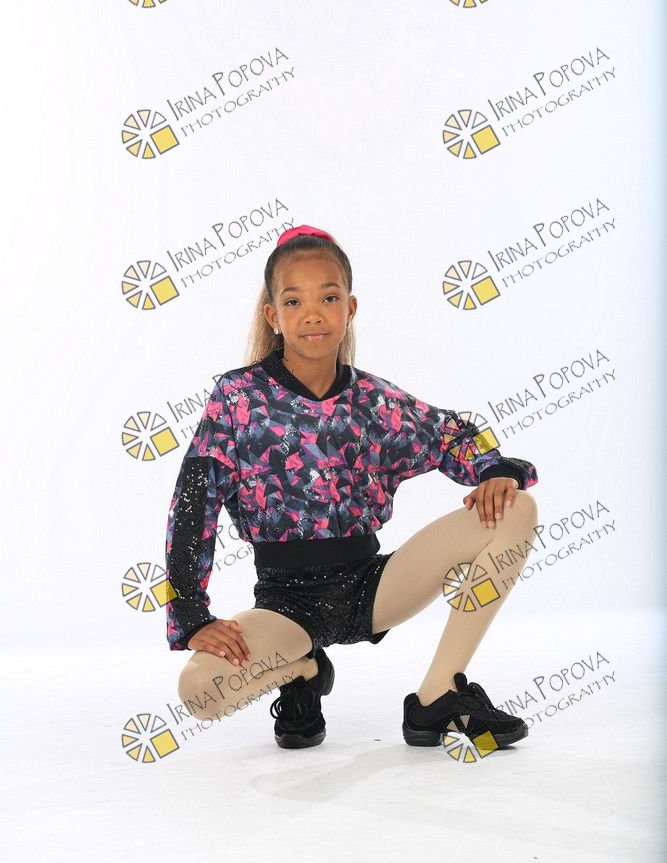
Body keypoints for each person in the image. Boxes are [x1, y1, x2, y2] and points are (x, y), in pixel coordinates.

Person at [165, 224, 539, 752]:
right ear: (272, 315)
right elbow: (193, 504)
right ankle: (304, 671)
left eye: (329, 297)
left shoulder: (375, 401)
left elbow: (452, 434)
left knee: (517, 507)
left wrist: (493, 469)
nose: (312, 313)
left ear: (350, 308)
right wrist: (191, 613)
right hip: (285, 604)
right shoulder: (237, 398)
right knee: (200, 690)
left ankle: (439, 695)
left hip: (374, 587)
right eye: (293, 301)